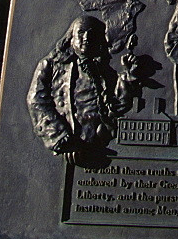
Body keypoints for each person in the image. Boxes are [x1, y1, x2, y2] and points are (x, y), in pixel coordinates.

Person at [27, 14, 139, 156]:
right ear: (71, 38)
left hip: (99, 145)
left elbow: (117, 107)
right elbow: (36, 100)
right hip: (69, 141)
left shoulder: (103, 71)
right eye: (81, 33)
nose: (86, 38)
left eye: (91, 34)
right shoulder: (51, 65)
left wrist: (128, 76)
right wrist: (60, 137)